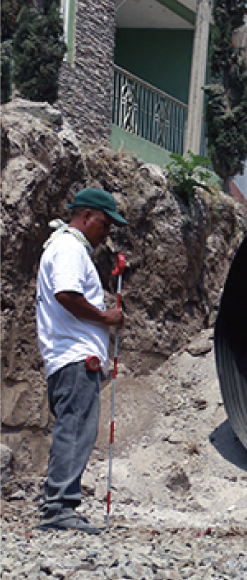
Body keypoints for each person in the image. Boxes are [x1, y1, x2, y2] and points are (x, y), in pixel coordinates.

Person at [35, 187, 126, 534]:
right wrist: (106, 318)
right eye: (105, 223)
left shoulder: (62, 246)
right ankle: (58, 507)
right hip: (74, 357)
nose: (107, 232)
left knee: (72, 428)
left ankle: (59, 504)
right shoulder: (70, 248)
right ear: (86, 216)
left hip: (66, 355)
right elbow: (67, 295)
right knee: (74, 430)